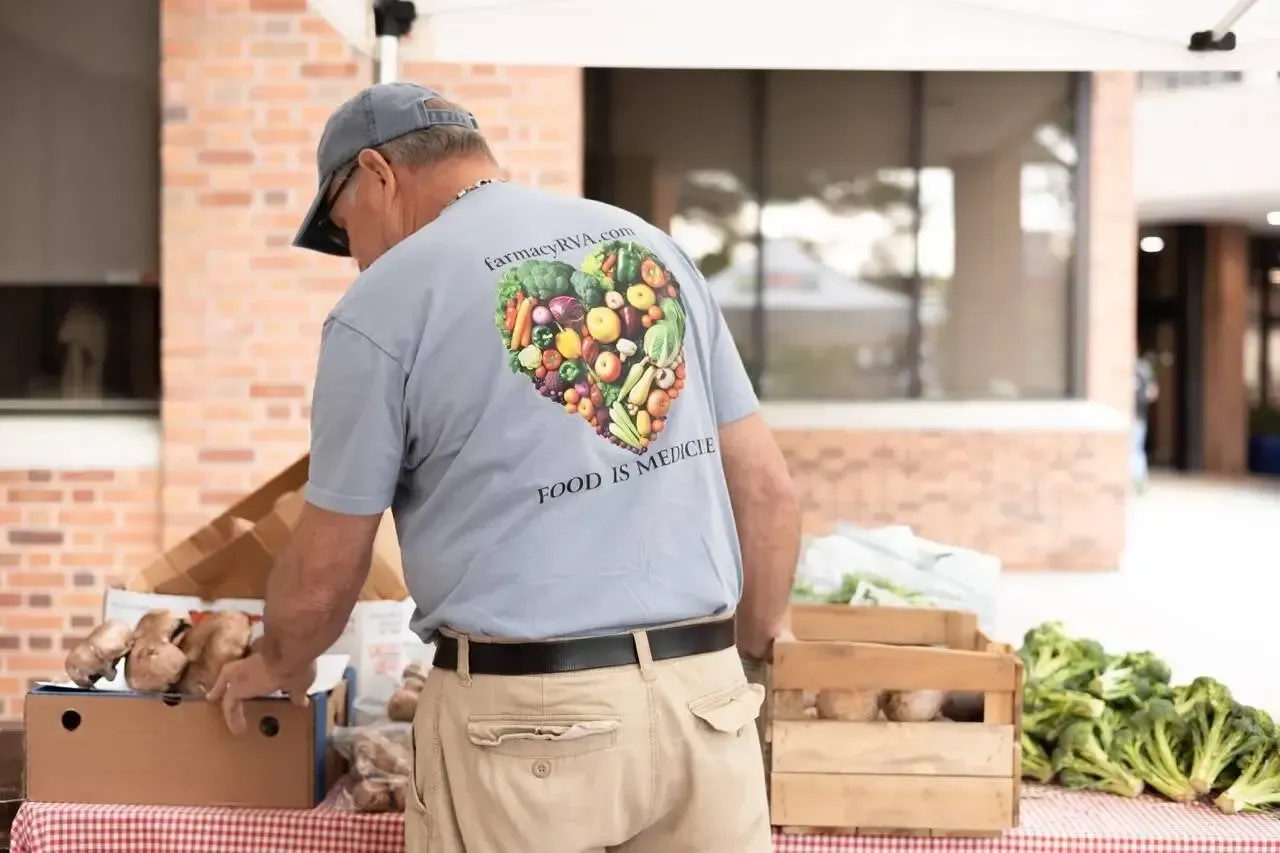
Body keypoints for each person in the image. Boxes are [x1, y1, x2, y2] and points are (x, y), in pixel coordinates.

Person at [208, 82, 801, 853]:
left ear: (378, 174)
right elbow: (768, 490)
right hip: (707, 708)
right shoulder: (649, 246)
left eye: (346, 229)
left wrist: (277, 659)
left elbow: (328, 563)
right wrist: (747, 648)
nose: (356, 258)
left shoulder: (384, 302)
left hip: (526, 732)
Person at [1133, 352, 1159, 491]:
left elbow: (1152, 392)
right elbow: (1153, 392)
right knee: (1137, 449)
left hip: (1135, 416)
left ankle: (1138, 481)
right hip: (1140, 416)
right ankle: (1139, 481)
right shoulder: (1145, 369)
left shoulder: (1137, 369)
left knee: (1135, 449)